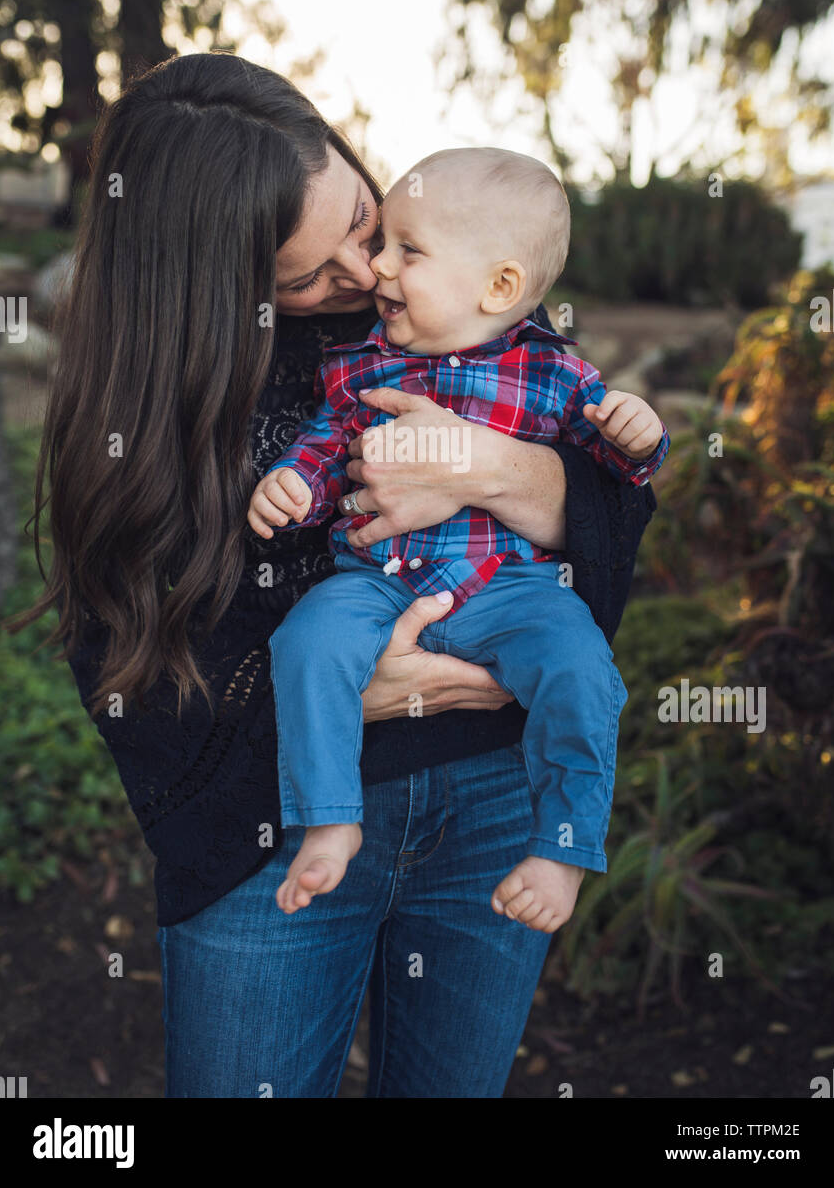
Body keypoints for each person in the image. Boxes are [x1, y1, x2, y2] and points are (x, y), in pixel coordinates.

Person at [13, 53, 660, 1098]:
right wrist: (369, 691)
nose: (366, 279)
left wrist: (495, 468)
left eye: (364, 222)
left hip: (492, 797)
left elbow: (615, 502)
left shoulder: (440, 292)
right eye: (309, 276)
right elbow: (127, 670)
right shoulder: (149, 402)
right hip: (267, 829)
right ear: (214, 285)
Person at [250, 147, 668, 931]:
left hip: (508, 589)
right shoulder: (357, 366)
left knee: (580, 667)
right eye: (385, 246)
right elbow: (321, 447)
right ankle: (330, 816)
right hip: (376, 581)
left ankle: (564, 846)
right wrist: (295, 487)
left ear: (498, 286)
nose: (376, 269)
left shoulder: (555, 375)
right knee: (306, 642)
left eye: (405, 251)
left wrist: (636, 436)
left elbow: (611, 480)